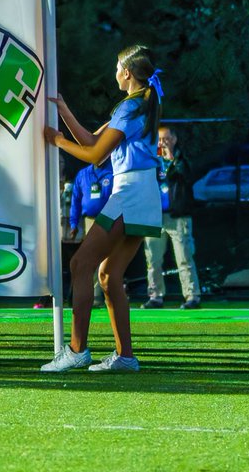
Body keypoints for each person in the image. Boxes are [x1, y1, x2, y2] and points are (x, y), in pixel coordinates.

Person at [41, 45, 164, 373]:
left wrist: (56, 141)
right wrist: (64, 111)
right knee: (109, 276)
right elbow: (92, 142)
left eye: (116, 68)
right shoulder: (139, 104)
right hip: (144, 192)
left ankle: (77, 350)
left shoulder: (130, 107)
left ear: (126, 72)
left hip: (130, 192)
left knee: (81, 263)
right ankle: (125, 356)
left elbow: (95, 157)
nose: (114, 74)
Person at [142, 126, 201, 309]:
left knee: (184, 257)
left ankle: (192, 296)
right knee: (152, 259)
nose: (162, 143)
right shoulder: (150, 161)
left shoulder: (183, 159)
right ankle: (156, 296)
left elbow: (187, 175)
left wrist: (171, 158)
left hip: (177, 217)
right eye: (159, 140)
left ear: (174, 139)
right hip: (155, 217)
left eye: (166, 139)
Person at [70, 159, 113, 308]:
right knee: (91, 258)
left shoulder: (114, 170)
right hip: (90, 221)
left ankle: (110, 294)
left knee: (109, 259)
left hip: (110, 219)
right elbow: (76, 200)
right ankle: (95, 296)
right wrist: (73, 223)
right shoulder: (83, 174)